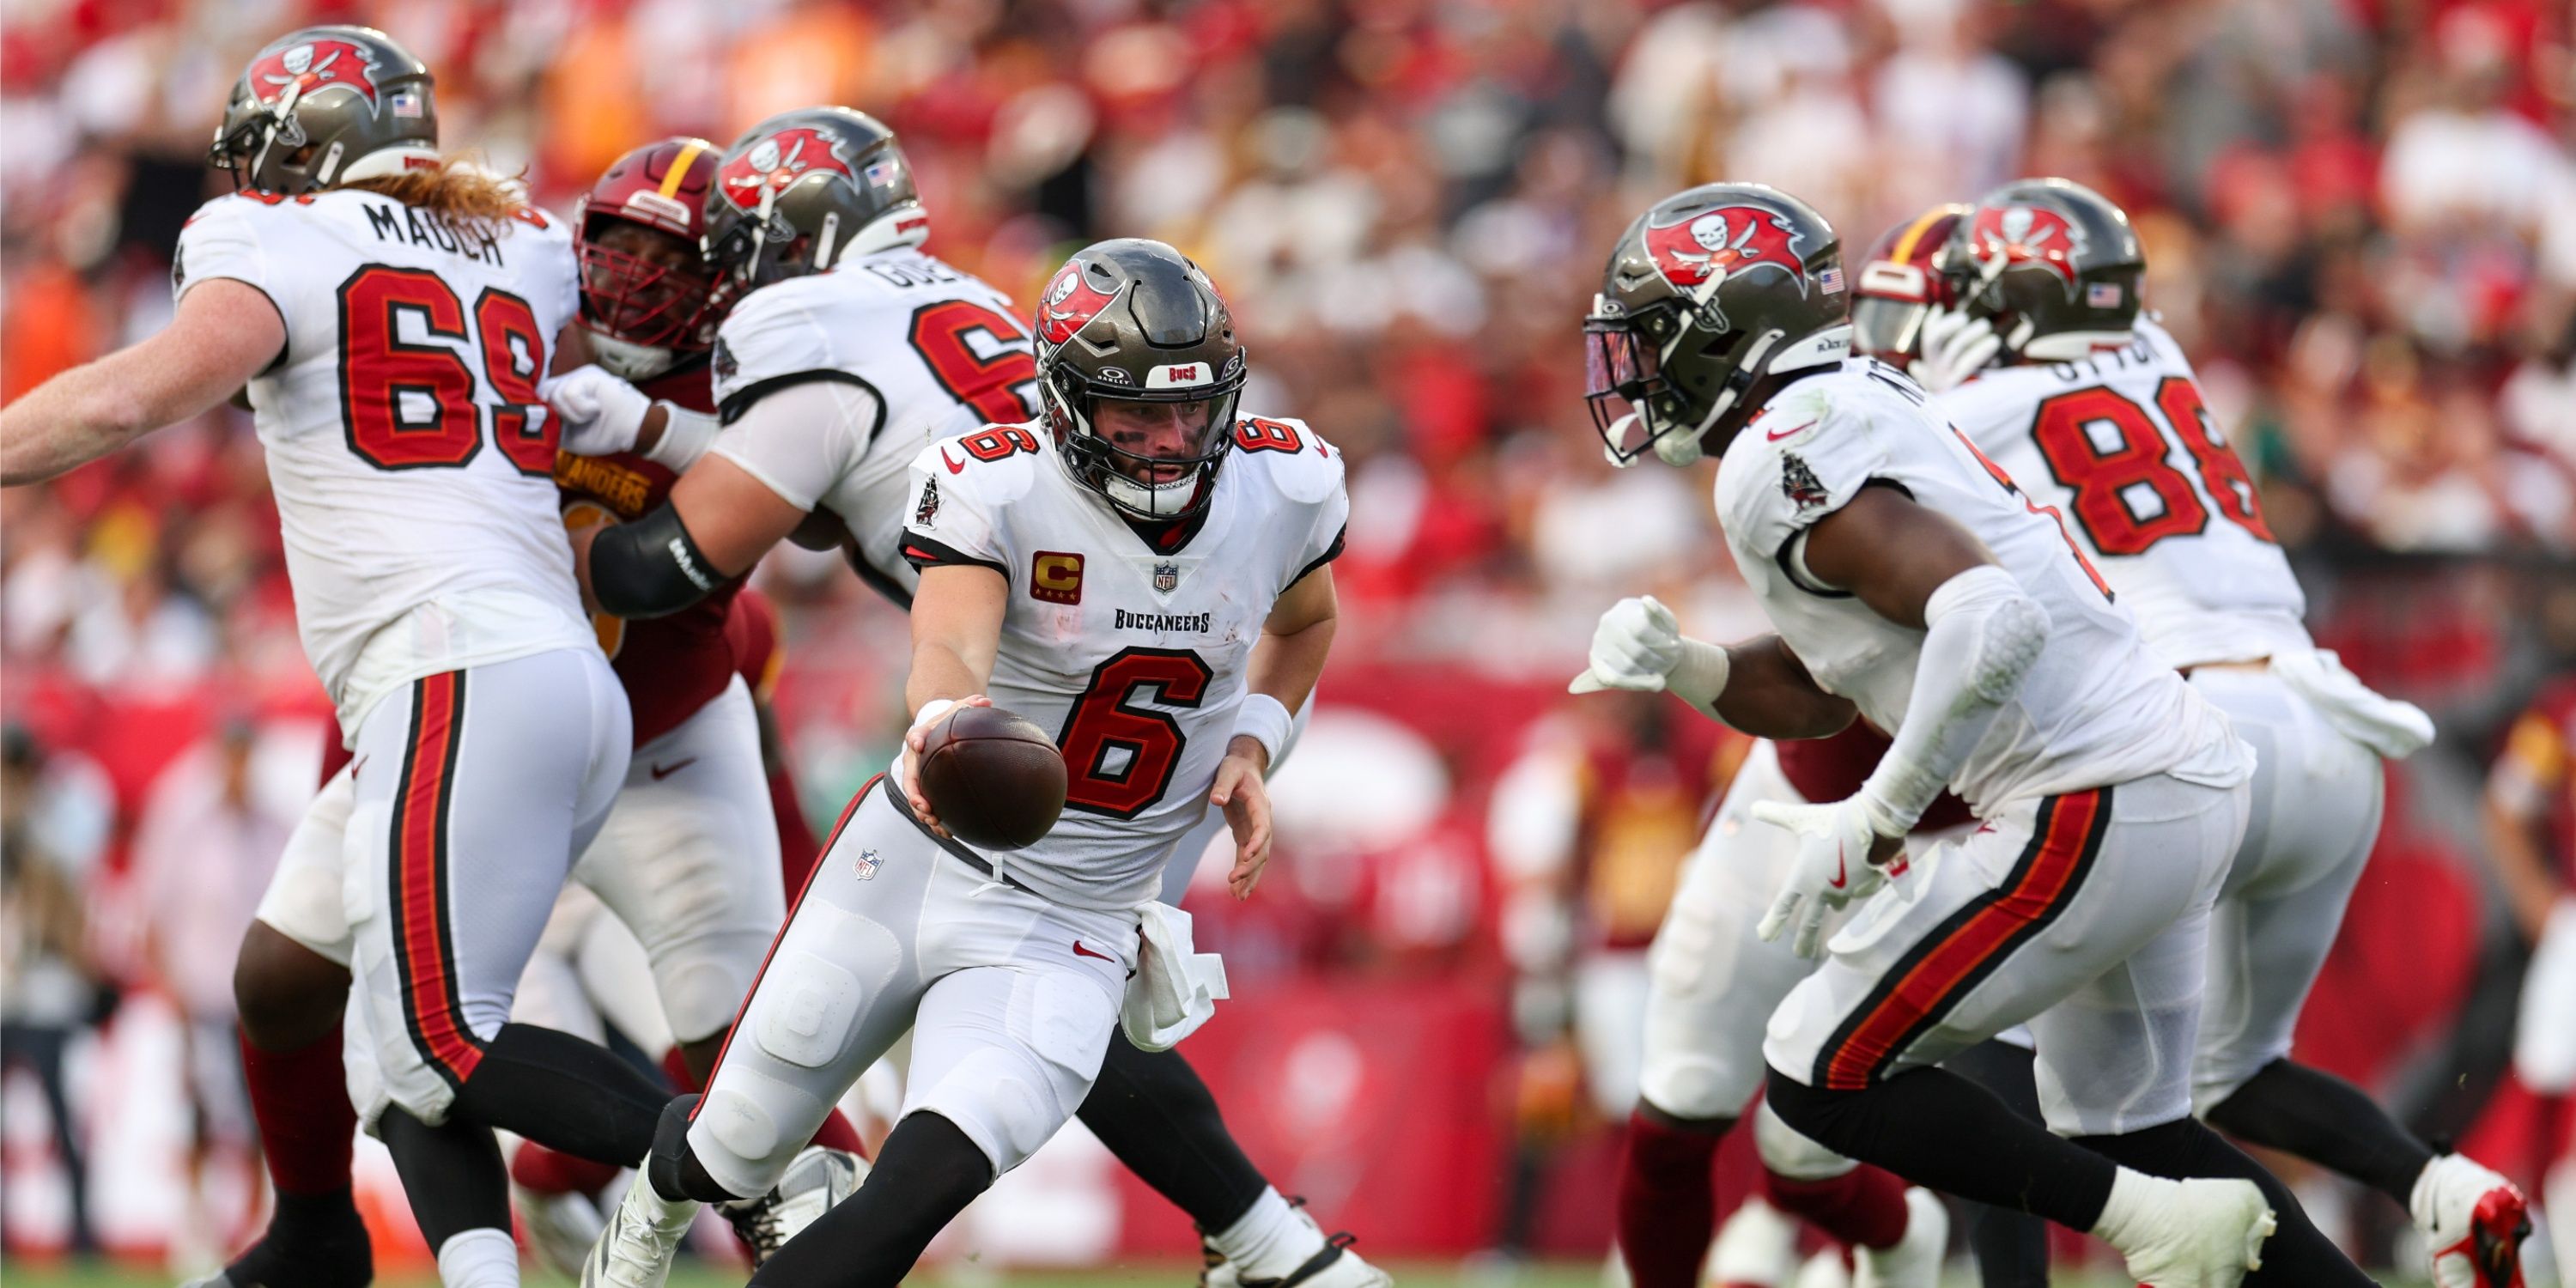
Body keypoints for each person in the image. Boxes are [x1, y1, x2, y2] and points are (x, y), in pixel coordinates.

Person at [564, 107, 1382, 1287]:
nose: (1165, 442)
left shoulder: (1285, 482)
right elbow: (942, 651)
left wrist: (1255, 741)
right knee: (731, 1141)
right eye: (1131, 416)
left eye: (1187, 410)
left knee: (902, 1207)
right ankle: (650, 1209)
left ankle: (1269, 1248)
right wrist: (950, 727)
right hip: (929, 837)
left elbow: (1305, 626)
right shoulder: (991, 479)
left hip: (1080, 905)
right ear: (1061, 405)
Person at [1571, 181, 2371, 1286]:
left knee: (1815, 1072)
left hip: (2095, 792)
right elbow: (1839, 685)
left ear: (1726, 330)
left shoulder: (1778, 453)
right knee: (2136, 1135)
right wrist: (1691, 666)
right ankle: (2199, 1226)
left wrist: (1880, 814)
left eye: (1657, 335)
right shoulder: (1856, 394)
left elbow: (1989, 619)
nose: (1640, 366)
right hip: (2175, 772)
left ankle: (2148, 1226)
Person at [0, 27, 674, 1288]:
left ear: (313, 145)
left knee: (432, 1040)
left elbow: (129, 397)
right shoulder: (520, 243)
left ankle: (763, 1163)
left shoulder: (272, 240)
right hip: (534, 672)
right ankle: (319, 1235)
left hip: (455, 667)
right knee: (289, 978)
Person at [1874, 178, 2530, 1288]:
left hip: (2185, 738)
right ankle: (2441, 1189)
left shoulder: (1956, 419)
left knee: (1995, 1044)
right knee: (2218, 1082)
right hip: (2326, 723)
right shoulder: (2165, 362)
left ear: (1987, 307)